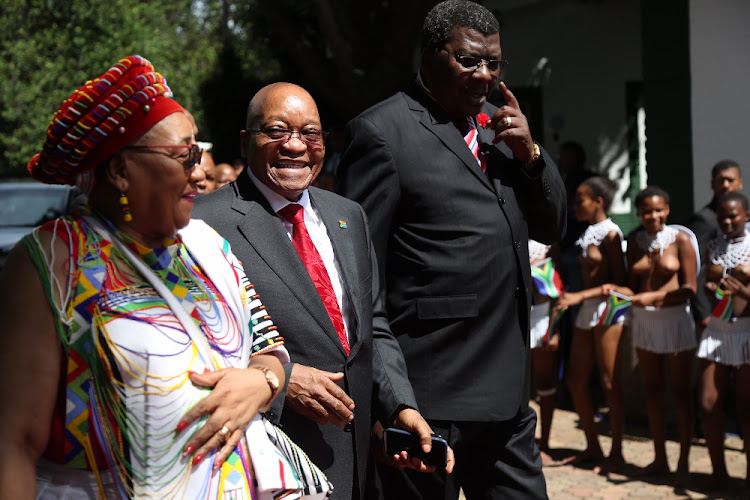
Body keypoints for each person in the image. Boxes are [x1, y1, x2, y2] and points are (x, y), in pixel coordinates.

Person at [0, 56, 332, 499]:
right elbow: (14, 443)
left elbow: (268, 348)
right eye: (185, 155)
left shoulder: (206, 246)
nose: (200, 172)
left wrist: (261, 382)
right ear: (120, 170)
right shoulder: (53, 260)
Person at [338, 1, 566, 497]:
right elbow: (360, 282)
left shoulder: (501, 132)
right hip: (427, 399)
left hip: (507, 399)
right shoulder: (381, 133)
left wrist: (531, 158)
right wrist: (386, 401)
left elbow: (553, 228)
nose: (483, 75)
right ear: (429, 56)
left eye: (493, 63)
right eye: (468, 60)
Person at [193, 82, 452, 500]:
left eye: (310, 133)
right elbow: (194, 346)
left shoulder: (347, 215)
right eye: (277, 131)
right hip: (270, 460)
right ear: (245, 141)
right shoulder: (203, 223)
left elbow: (372, 327)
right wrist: (281, 379)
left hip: (357, 462)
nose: (295, 146)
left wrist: (399, 406)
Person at [617, 186, 698, 486]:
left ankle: (684, 462)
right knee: (652, 390)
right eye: (647, 211)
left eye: (659, 210)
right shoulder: (635, 243)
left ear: (667, 210)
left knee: (680, 393)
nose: (653, 216)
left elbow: (690, 288)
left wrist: (652, 297)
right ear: (638, 213)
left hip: (675, 321)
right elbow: (631, 286)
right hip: (646, 323)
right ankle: (660, 458)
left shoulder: (683, 241)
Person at [555, 176, 627, 474]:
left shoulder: (611, 234)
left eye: (580, 200)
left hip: (607, 311)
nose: (575, 206)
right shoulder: (588, 233)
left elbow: (620, 284)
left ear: (598, 201)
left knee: (609, 382)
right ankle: (592, 446)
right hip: (586, 309)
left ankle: (617, 453)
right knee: (575, 380)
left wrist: (579, 296)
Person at [697, 191, 750, 489]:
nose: (727, 221)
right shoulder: (714, 246)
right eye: (722, 217)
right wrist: (711, 288)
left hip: (745, 333)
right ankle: (718, 474)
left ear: (747, 216)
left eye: (733, 216)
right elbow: (708, 285)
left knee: (746, 409)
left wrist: (741, 292)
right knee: (707, 405)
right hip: (717, 331)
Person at [688, 160, 743, 330]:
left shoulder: (744, 217)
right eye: (720, 181)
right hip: (716, 312)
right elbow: (698, 268)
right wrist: (703, 313)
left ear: (740, 183)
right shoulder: (705, 219)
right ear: (712, 184)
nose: (726, 185)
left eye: (730, 180)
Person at [528, 240, 563, 466]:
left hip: (541, 318)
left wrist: (554, 328)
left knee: (545, 381)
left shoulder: (547, 246)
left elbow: (557, 289)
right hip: (512, 318)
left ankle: (545, 443)